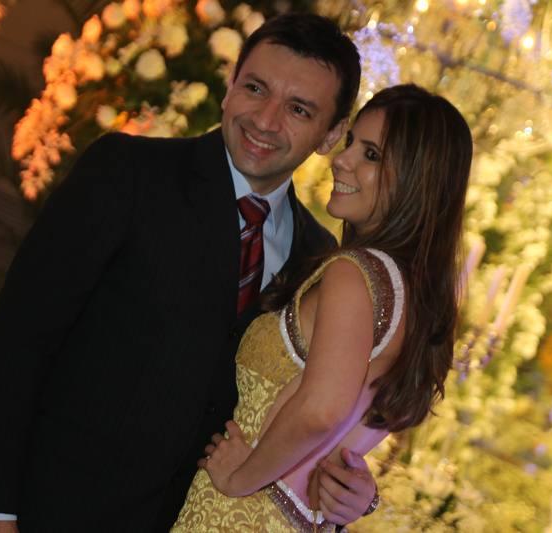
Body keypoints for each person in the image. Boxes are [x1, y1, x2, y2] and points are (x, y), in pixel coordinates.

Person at [0, 13, 380, 533]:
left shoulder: (320, 260)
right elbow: (20, 338)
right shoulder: (128, 173)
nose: (265, 120)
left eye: (298, 109)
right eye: (255, 88)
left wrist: (351, 491)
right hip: (38, 514)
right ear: (230, 85)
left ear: (331, 134)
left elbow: (293, 413)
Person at [172, 83, 473, 532]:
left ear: (417, 182)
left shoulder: (354, 274)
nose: (341, 160)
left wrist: (240, 478)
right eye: (351, 142)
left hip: (236, 513)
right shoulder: (414, 297)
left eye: (371, 155)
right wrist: (361, 497)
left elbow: (322, 410)